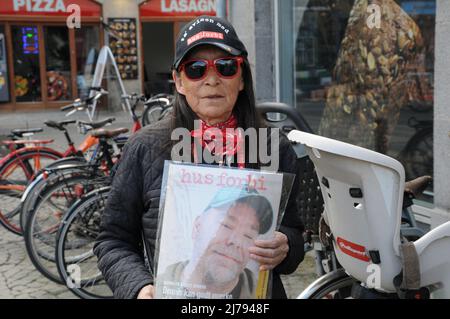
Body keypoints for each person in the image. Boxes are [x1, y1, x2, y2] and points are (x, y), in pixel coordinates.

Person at [94, 15, 305, 299]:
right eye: (195, 69)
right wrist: (138, 287)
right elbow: (113, 240)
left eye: (226, 67)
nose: (212, 79)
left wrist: (286, 245)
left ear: (242, 79)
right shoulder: (144, 147)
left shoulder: (273, 145)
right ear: (179, 82)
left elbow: (295, 232)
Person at [156, 186, 274, 299]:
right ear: (197, 227)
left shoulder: (262, 293)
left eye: (248, 235)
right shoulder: (154, 290)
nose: (236, 241)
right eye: (226, 225)